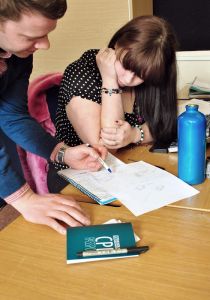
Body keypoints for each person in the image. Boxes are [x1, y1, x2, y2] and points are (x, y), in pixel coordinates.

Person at [0, 0, 107, 235]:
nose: (45, 45)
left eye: (47, 34)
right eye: (31, 37)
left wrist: (62, 153)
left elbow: (12, 115)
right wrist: (25, 198)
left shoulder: (18, 55)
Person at [47, 15, 178, 192]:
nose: (129, 78)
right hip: (78, 177)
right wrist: (110, 81)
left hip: (130, 168)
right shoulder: (81, 74)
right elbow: (106, 149)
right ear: (117, 44)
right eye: (125, 65)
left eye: (141, 75)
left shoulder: (152, 72)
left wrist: (134, 135)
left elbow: (165, 124)